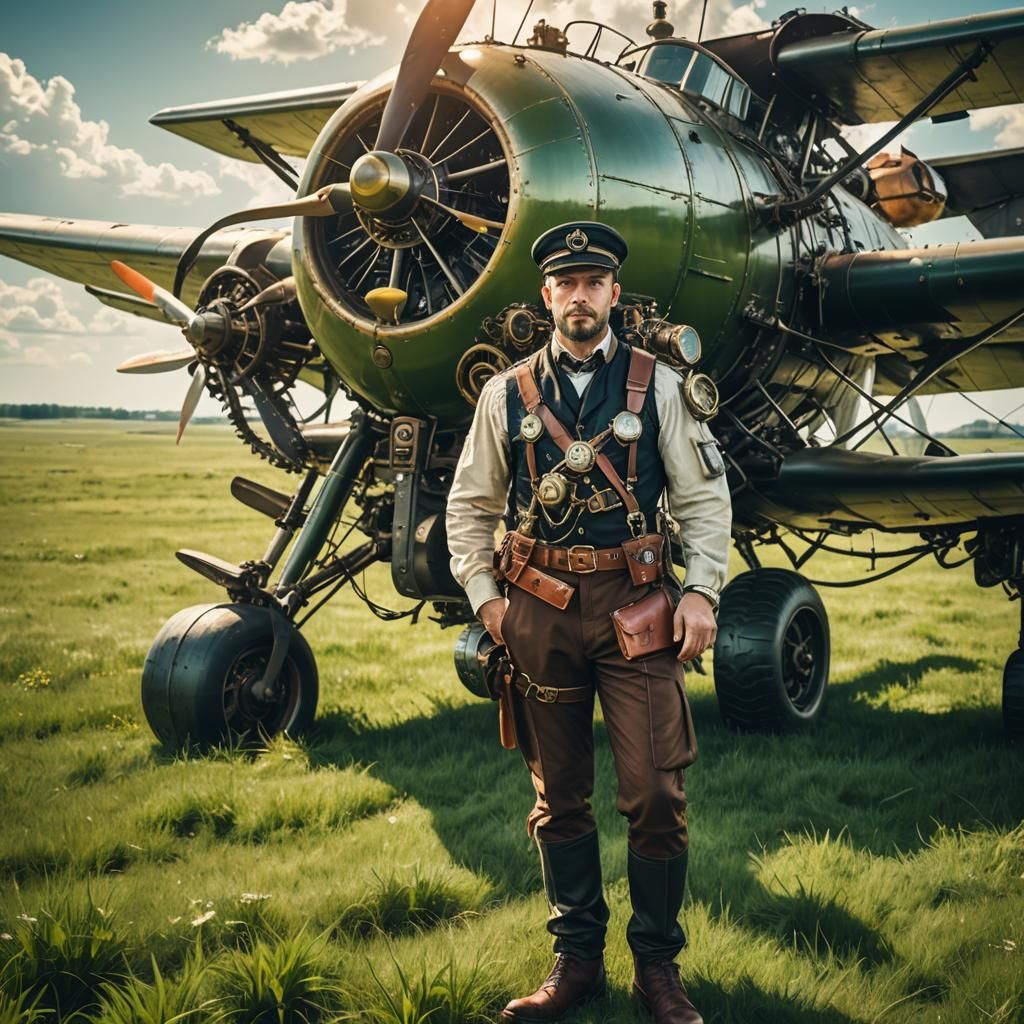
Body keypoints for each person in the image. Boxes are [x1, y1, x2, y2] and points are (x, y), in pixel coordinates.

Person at [445, 221, 731, 1024]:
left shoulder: (659, 385)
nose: (579, 296)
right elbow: (469, 506)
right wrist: (487, 600)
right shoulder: (504, 394)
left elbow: (705, 501)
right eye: (565, 283)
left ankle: (657, 971)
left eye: (592, 282)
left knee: (656, 795)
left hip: (635, 609)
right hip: (536, 611)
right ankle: (576, 965)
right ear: (547, 296)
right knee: (559, 798)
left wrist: (702, 593)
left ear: (613, 293)